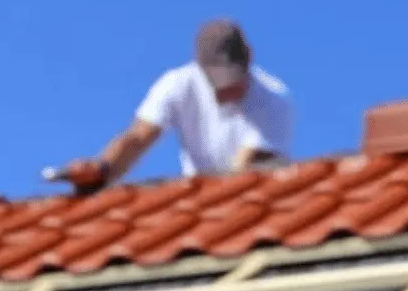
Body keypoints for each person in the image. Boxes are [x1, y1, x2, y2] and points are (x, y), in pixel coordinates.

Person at [56, 19, 293, 193]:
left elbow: (243, 170)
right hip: (201, 193)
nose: (224, 94)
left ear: (249, 59)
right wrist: (101, 169)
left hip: (252, 194)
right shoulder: (178, 84)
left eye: (232, 83)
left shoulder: (273, 99)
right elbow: (138, 137)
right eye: (217, 86)